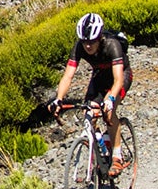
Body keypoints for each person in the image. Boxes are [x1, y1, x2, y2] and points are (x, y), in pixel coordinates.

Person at [53, 12, 132, 177]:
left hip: (120, 75)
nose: (88, 46)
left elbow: (118, 80)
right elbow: (68, 76)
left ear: (100, 37)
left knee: (109, 112)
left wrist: (110, 99)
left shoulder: (112, 45)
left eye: (92, 42)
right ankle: (101, 151)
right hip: (100, 76)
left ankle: (117, 156)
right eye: (84, 42)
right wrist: (58, 99)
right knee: (89, 113)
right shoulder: (79, 47)